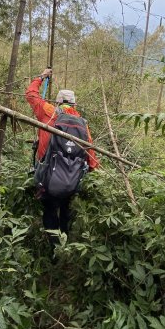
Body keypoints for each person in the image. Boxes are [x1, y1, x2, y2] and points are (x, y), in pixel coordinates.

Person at [25, 68, 99, 247]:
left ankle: (53, 247)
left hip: (48, 179)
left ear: (58, 102)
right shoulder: (82, 123)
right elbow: (92, 158)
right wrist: (91, 171)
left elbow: (31, 94)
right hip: (72, 180)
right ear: (74, 105)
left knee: (50, 211)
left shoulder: (49, 111)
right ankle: (65, 243)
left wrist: (42, 77)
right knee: (65, 210)